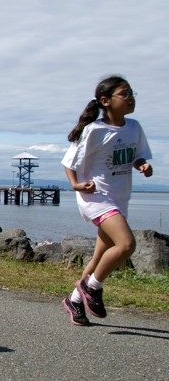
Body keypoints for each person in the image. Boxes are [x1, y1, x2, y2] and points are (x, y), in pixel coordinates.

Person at [60, 75, 153, 326]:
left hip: (119, 197)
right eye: (124, 94)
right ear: (106, 101)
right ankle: (92, 287)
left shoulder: (134, 128)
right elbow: (69, 163)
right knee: (126, 245)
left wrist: (142, 165)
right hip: (96, 198)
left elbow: (138, 155)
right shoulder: (94, 131)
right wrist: (76, 184)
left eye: (132, 93)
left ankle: (75, 300)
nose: (131, 97)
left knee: (99, 256)